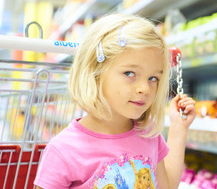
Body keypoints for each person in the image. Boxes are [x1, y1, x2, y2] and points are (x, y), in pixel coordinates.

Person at [34, 13, 196, 189]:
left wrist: (179, 128)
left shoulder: (148, 135)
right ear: (94, 73)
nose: (145, 88)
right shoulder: (64, 150)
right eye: (129, 73)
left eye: (153, 78)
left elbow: (167, 186)